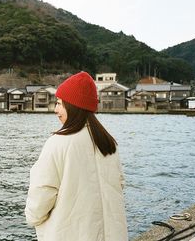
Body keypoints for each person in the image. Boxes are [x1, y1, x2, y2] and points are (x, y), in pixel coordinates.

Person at [25, 71, 128, 241]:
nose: (56, 110)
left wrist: (33, 219)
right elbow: (119, 185)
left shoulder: (58, 142)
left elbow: (41, 195)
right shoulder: (108, 143)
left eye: (59, 103)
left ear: (73, 106)